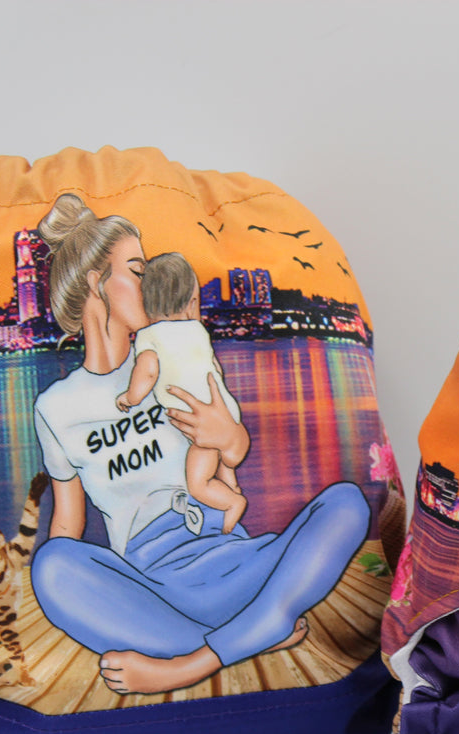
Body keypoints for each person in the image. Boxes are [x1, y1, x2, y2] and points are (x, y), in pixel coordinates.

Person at [29, 194, 369, 695]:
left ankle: (188, 663)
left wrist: (227, 435)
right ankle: (256, 630)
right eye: (138, 270)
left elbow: (233, 448)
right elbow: (67, 525)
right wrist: (66, 585)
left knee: (347, 504)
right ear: (98, 283)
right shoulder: (56, 407)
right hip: (154, 589)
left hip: (241, 561)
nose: (152, 281)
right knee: (53, 565)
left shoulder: (177, 352)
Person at [115, 251, 246, 534]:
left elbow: (148, 372)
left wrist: (130, 397)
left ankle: (232, 502)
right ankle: (231, 481)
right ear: (191, 303)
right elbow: (214, 368)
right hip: (224, 409)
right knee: (219, 457)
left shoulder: (149, 336)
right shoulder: (198, 330)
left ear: (145, 304)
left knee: (198, 484)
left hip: (196, 421)